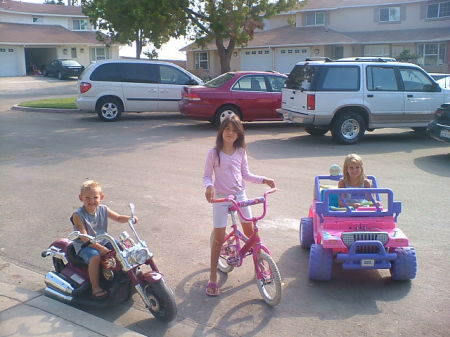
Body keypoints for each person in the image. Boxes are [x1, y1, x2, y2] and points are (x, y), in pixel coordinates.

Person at [203, 115, 275, 297]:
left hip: (240, 196)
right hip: (220, 198)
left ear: (239, 134)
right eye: (227, 129)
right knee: (219, 239)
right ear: (222, 131)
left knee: (251, 233)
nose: (230, 133)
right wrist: (209, 187)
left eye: (234, 130)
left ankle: (259, 267)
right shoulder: (214, 153)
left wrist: (264, 180)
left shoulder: (241, 151)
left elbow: (246, 174)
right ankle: (212, 277)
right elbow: (206, 176)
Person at [70, 180, 137, 299]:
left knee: (121, 249)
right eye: (87, 198)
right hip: (85, 245)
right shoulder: (78, 214)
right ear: (81, 198)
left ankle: (125, 274)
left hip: (103, 240)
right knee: (95, 257)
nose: (91, 201)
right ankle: (95, 287)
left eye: (95, 197)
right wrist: (100, 248)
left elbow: (118, 217)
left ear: (101, 197)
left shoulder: (103, 209)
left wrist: (130, 218)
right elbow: (84, 237)